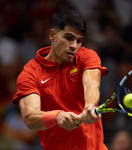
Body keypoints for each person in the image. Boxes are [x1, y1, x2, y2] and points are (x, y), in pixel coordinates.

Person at [13, 9, 108, 150]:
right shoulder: (30, 73)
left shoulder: (86, 56)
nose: (74, 46)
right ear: (52, 35)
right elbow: (30, 117)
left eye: (79, 40)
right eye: (68, 38)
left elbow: (91, 83)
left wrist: (89, 105)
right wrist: (56, 116)